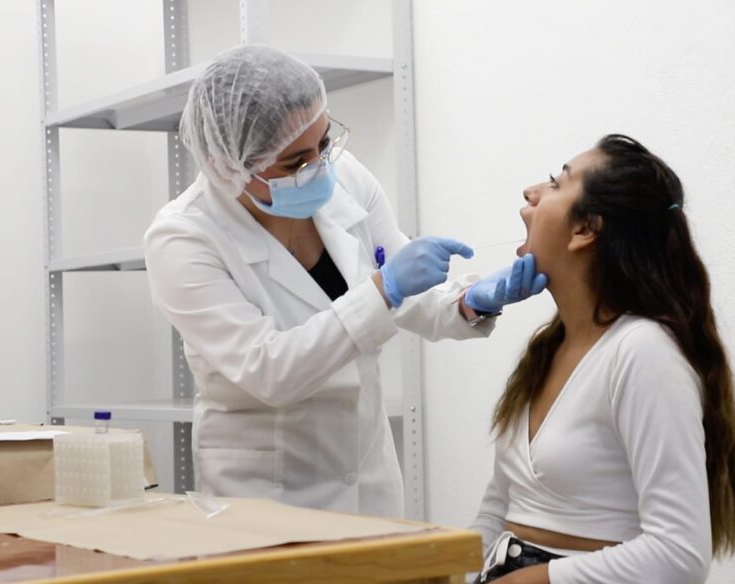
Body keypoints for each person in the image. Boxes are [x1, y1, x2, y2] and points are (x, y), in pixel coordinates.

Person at [143, 45, 546, 518]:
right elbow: (270, 371)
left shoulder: (344, 176)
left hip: (368, 475)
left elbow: (403, 286)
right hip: (267, 493)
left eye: (324, 142)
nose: (319, 166)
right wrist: (383, 289)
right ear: (227, 166)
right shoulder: (184, 238)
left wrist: (466, 302)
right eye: (295, 162)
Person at [470, 134, 735, 583]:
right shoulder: (546, 349)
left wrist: (533, 580)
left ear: (585, 229)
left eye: (555, 183)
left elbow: (680, 555)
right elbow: (496, 512)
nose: (530, 193)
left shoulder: (642, 351)